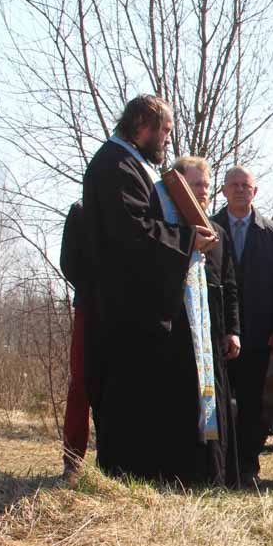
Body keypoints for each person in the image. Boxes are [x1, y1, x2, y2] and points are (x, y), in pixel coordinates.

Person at [82, 94, 224, 486]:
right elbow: (133, 232)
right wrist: (187, 240)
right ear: (142, 125)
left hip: (142, 307)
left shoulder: (132, 163)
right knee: (130, 395)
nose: (166, 140)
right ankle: (129, 474)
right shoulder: (115, 165)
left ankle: (151, 472)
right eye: (164, 131)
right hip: (125, 308)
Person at [211, 167, 273, 487]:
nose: (241, 190)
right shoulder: (209, 227)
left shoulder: (272, 233)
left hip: (258, 335)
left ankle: (247, 465)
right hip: (217, 333)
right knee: (219, 401)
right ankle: (220, 463)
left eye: (247, 185)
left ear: (255, 192)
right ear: (224, 191)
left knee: (252, 404)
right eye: (235, 185)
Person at [171, 156, 242, 483]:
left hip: (211, 333)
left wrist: (233, 331)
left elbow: (229, 285)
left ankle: (214, 475)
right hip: (179, 332)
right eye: (196, 184)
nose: (203, 191)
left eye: (206, 186)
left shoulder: (218, 232)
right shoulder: (171, 226)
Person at [59, 201, 90, 483]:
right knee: (80, 384)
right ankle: (73, 460)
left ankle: (117, 460)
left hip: (128, 312)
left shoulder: (135, 209)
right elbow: (68, 262)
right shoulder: (81, 211)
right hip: (89, 308)